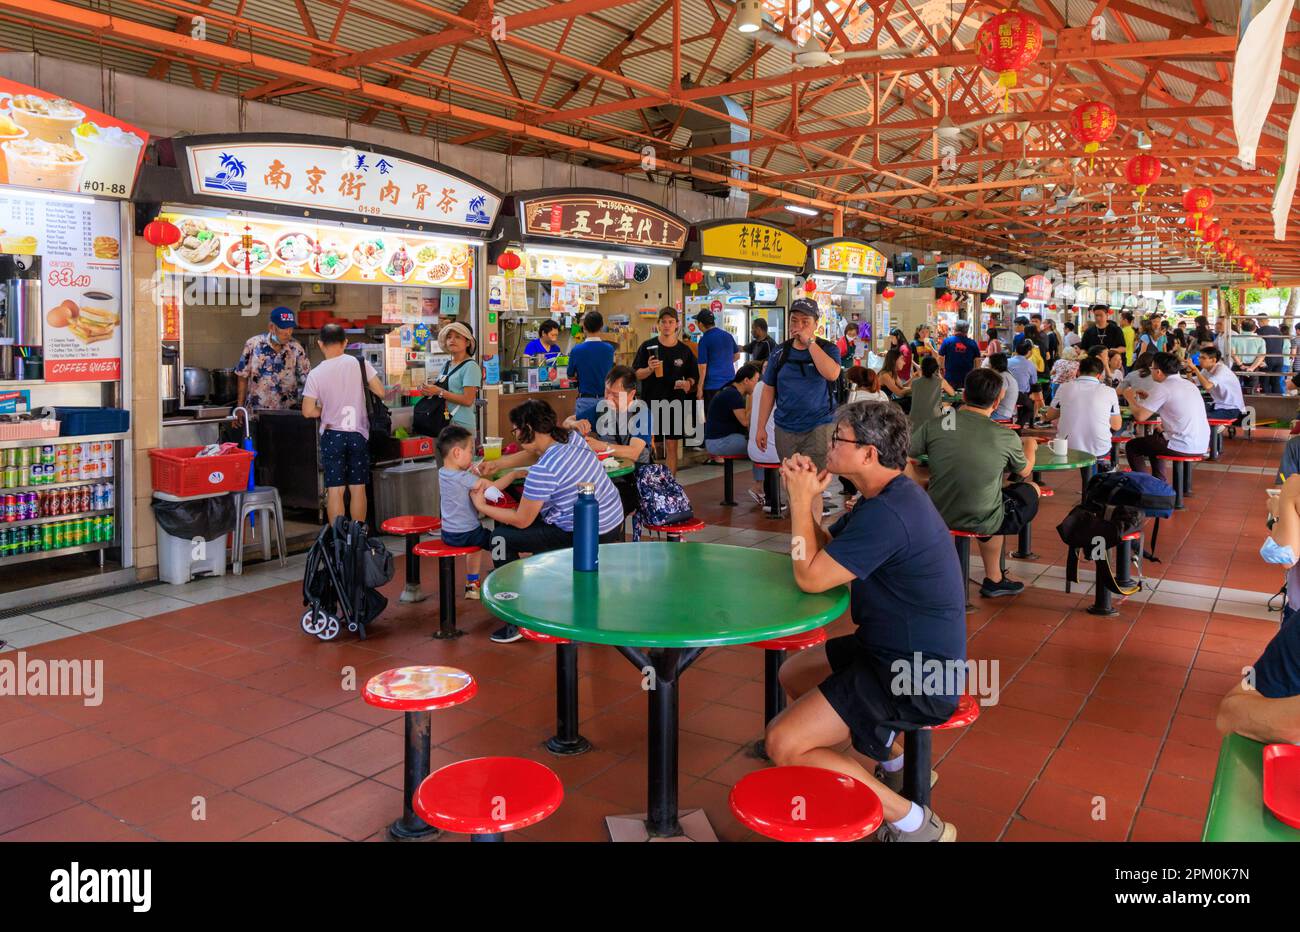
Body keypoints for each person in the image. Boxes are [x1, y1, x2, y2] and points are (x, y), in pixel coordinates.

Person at [765, 401, 967, 842]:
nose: (829, 445)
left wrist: (799, 499)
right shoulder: (888, 495)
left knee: (783, 742)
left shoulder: (889, 513)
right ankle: (894, 764)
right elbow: (827, 551)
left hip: (915, 673)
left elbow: (809, 575)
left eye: (838, 439)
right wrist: (811, 502)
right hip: (887, 649)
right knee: (795, 672)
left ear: (869, 455)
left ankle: (914, 822)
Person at [470, 400, 625, 643]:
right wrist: (499, 464)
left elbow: (522, 520)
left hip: (583, 534)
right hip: (611, 521)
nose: (516, 435)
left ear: (529, 428)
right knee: (519, 520)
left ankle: (515, 620)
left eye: (516, 430)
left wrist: (481, 506)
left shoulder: (544, 470)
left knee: (501, 537)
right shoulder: (570, 439)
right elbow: (535, 451)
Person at [908, 367, 1039, 598]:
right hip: (983, 517)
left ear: (964, 395)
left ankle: (985, 577)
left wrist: (921, 481)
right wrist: (1030, 444)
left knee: (993, 496)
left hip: (935, 513)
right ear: (997, 401)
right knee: (1027, 491)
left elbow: (904, 456)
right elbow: (1025, 470)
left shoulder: (937, 425)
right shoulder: (1005, 436)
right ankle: (994, 578)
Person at [1216, 476, 1300, 744]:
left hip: (1296, 609)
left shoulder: (1295, 487)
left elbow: (1283, 556)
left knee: (1276, 680)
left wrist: (1282, 505)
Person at [301, 323, 387, 523]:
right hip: (358, 433)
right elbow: (381, 392)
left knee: (335, 489)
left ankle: (338, 540)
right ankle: (358, 537)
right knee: (358, 487)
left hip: (332, 435)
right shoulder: (359, 364)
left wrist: (325, 409)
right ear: (345, 342)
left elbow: (307, 411)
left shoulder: (316, 373)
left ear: (320, 344)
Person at [435, 425, 522, 600]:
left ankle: (472, 585)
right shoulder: (464, 478)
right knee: (501, 543)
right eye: (471, 451)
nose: (473, 455)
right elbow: (494, 487)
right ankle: (505, 579)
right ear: (457, 453)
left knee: (474, 550)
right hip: (468, 533)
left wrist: (470, 469)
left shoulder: (443, 472)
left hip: (448, 533)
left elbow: (460, 478)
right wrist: (514, 475)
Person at [755, 298, 841, 473]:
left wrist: (810, 343)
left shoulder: (828, 349)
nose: (799, 326)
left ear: (816, 324)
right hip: (785, 428)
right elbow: (768, 390)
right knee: (791, 480)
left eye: (805, 321)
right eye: (794, 320)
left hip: (819, 425)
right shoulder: (779, 352)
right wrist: (760, 427)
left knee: (812, 480)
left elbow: (832, 374)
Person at [566, 365, 653, 521]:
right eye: (606, 391)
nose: (608, 398)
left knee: (601, 512)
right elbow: (566, 422)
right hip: (604, 479)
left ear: (631, 394)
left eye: (615, 395)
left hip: (631, 482)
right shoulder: (602, 409)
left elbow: (634, 452)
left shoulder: (641, 414)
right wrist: (575, 424)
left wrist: (601, 447)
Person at [1120, 352, 1211, 483]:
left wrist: (1129, 398)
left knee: (1133, 446)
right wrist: (1148, 397)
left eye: (1151, 368)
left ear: (1158, 372)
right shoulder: (1189, 384)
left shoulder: (1163, 387)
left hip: (1182, 444)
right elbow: (1172, 404)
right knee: (1155, 439)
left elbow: (1140, 416)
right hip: (1201, 442)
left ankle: (1145, 485)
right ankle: (1159, 481)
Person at [633, 307, 698, 474]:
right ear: (658, 325)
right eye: (664, 322)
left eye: (671, 322)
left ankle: (671, 487)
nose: (667, 325)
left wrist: (688, 384)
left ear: (677, 324)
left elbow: (693, 376)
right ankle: (650, 485)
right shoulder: (648, 347)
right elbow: (636, 374)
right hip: (651, 402)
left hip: (675, 403)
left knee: (672, 445)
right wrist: (649, 369)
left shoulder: (684, 350)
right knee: (649, 445)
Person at [1041, 355, 1121, 466]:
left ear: (1078, 371)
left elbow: (1050, 415)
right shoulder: (1110, 391)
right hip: (1099, 447)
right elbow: (1116, 426)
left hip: (1067, 446)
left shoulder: (1064, 387)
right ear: (1099, 375)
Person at [704, 363, 765, 506]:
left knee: (759, 445)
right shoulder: (733, 395)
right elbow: (745, 422)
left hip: (718, 440)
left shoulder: (729, 390)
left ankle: (762, 486)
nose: (757, 384)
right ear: (746, 380)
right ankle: (758, 487)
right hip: (719, 442)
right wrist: (753, 402)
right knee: (759, 447)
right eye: (756, 380)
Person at [235, 305, 310, 410]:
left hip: (287, 413)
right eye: (283, 328)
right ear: (271, 327)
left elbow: (308, 379)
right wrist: (240, 407)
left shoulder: (296, 349)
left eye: (290, 328)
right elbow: (242, 375)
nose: (288, 333)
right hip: (257, 412)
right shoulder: (253, 344)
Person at [419, 321, 481, 433]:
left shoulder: (471, 366)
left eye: (458, 337)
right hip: (442, 422)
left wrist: (439, 392)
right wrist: (428, 390)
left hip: (461, 425)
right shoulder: (447, 365)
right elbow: (440, 388)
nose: (452, 340)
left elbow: (468, 400)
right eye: (449, 337)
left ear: (467, 343)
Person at [568, 310, 616, 426]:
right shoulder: (609, 349)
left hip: (585, 400)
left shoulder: (576, 350)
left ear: (584, 327)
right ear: (601, 326)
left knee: (585, 437)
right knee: (605, 439)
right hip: (606, 399)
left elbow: (570, 374)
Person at [695, 309, 738, 418]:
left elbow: (702, 367)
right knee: (727, 418)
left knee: (712, 418)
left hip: (712, 387)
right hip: (730, 385)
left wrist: (699, 388)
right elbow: (737, 355)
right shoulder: (727, 335)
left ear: (700, 324)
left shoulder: (704, 340)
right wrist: (724, 362)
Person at [1185, 346, 1245, 422]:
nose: (1199, 360)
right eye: (1199, 357)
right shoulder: (1206, 370)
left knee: (1199, 418)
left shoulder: (1222, 370)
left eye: (1203, 358)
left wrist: (1195, 370)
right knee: (1191, 412)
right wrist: (1189, 370)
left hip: (1231, 409)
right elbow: (1192, 383)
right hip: (1217, 405)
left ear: (1213, 360)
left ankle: (1216, 431)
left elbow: (1207, 386)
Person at [907, 355, 952, 426]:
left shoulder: (914, 383)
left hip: (914, 420)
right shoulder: (940, 382)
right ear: (936, 368)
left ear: (922, 368)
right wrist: (939, 375)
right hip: (933, 419)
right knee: (949, 406)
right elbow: (952, 393)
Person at [937, 319, 980, 388]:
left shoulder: (947, 341)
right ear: (967, 330)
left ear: (955, 328)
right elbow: (977, 361)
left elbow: (940, 357)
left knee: (949, 397)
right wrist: (976, 375)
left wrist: (941, 369)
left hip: (950, 377)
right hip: (967, 379)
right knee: (965, 397)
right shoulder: (972, 343)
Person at [1081, 306, 1124, 373]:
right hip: (1093, 366)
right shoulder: (1088, 331)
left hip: (1112, 365)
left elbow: (1123, 348)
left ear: (1107, 315)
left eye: (1101, 315)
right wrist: (1082, 356)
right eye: (1096, 315)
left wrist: (1110, 351)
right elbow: (1083, 349)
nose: (1098, 318)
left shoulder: (1116, 330)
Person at [1007, 340, 1039, 428]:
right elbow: (1034, 382)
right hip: (1020, 396)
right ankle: (1019, 425)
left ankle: (1016, 424)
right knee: (1029, 408)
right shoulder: (1030, 364)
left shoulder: (1007, 361)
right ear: (1029, 352)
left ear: (1016, 350)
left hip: (1005, 394)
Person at [1231, 318, 1267, 394]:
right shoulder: (1260, 340)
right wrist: (1251, 368)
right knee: (1252, 391)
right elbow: (1261, 356)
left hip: (1237, 366)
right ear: (1254, 328)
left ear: (1241, 327)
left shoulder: (1234, 338)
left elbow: (1233, 353)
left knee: (1234, 389)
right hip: (1254, 366)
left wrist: (1241, 365)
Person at [1257, 314, 1287, 395]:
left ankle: (1267, 403)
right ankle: (1278, 402)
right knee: (1276, 382)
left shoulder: (1260, 331)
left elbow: (1259, 347)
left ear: (1260, 321)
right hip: (1279, 359)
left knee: (1265, 382)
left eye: (1258, 321)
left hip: (1267, 360)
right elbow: (1282, 344)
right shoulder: (1277, 330)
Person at [988, 353, 1019, 423]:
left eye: (989, 363)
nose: (988, 365)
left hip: (1001, 413)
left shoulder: (1002, 377)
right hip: (1005, 411)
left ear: (994, 364)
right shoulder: (1007, 374)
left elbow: (1000, 397)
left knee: (975, 417)